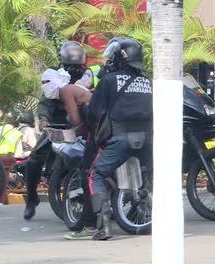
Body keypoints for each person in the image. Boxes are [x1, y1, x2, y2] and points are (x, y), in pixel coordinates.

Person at [84, 37, 152, 240]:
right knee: (151, 173)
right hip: (147, 139)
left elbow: (94, 113)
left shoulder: (109, 80)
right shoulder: (148, 82)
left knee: (96, 174)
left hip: (120, 139)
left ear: (119, 58)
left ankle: (104, 225)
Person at [23, 41, 94, 220]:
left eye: (77, 65)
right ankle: (31, 199)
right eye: (70, 65)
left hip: (80, 125)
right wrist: (45, 120)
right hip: (56, 125)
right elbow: (44, 102)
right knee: (33, 160)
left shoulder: (90, 75)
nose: (74, 69)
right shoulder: (54, 77)